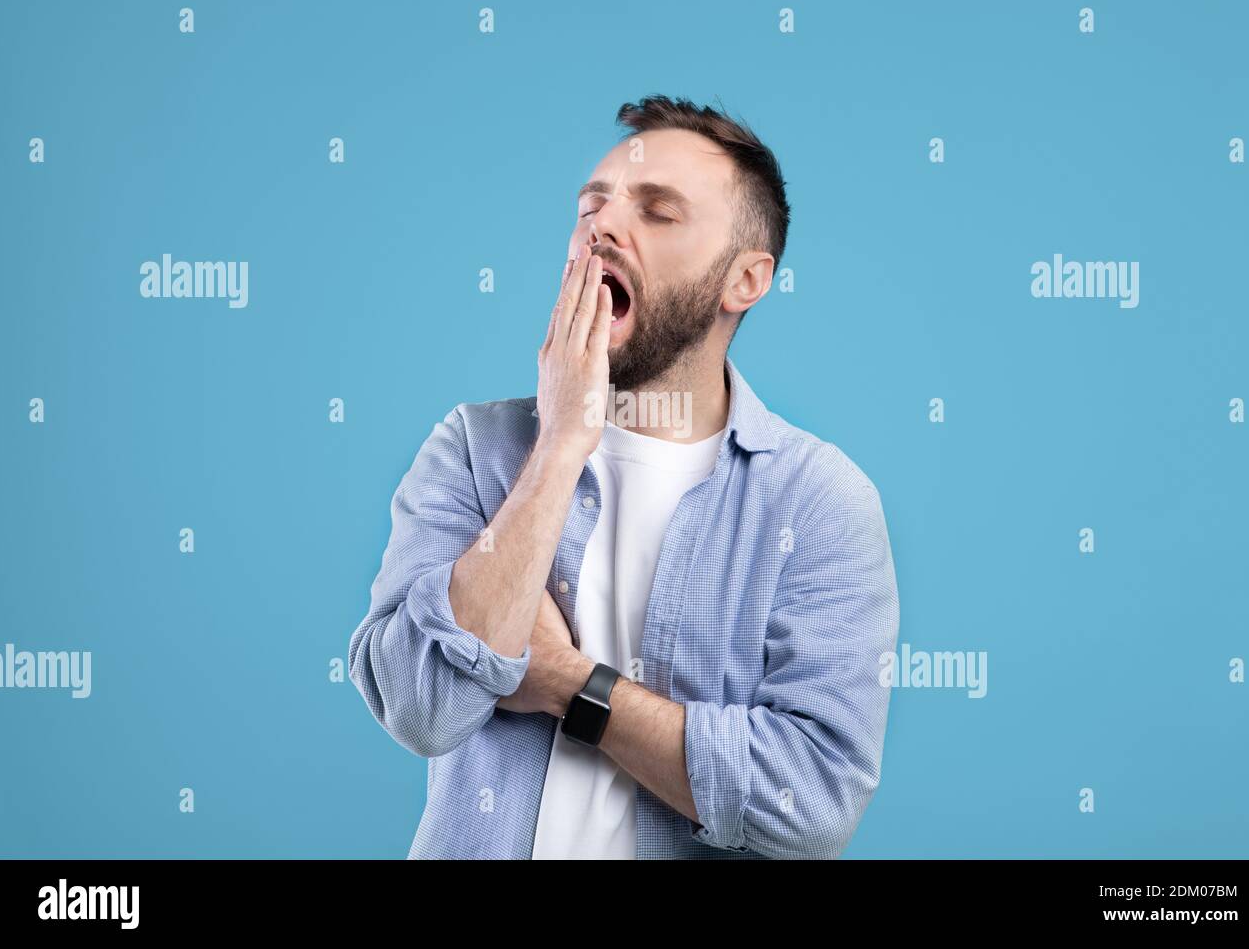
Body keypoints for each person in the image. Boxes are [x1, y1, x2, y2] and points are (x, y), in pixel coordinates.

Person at [349, 95, 900, 859]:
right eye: (591, 208)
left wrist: (571, 683)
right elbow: (419, 706)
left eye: (658, 211)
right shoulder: (476, 449)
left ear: (745, 279)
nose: (602, 226)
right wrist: (559, 447)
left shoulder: (820, 502)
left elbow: (809, 800)